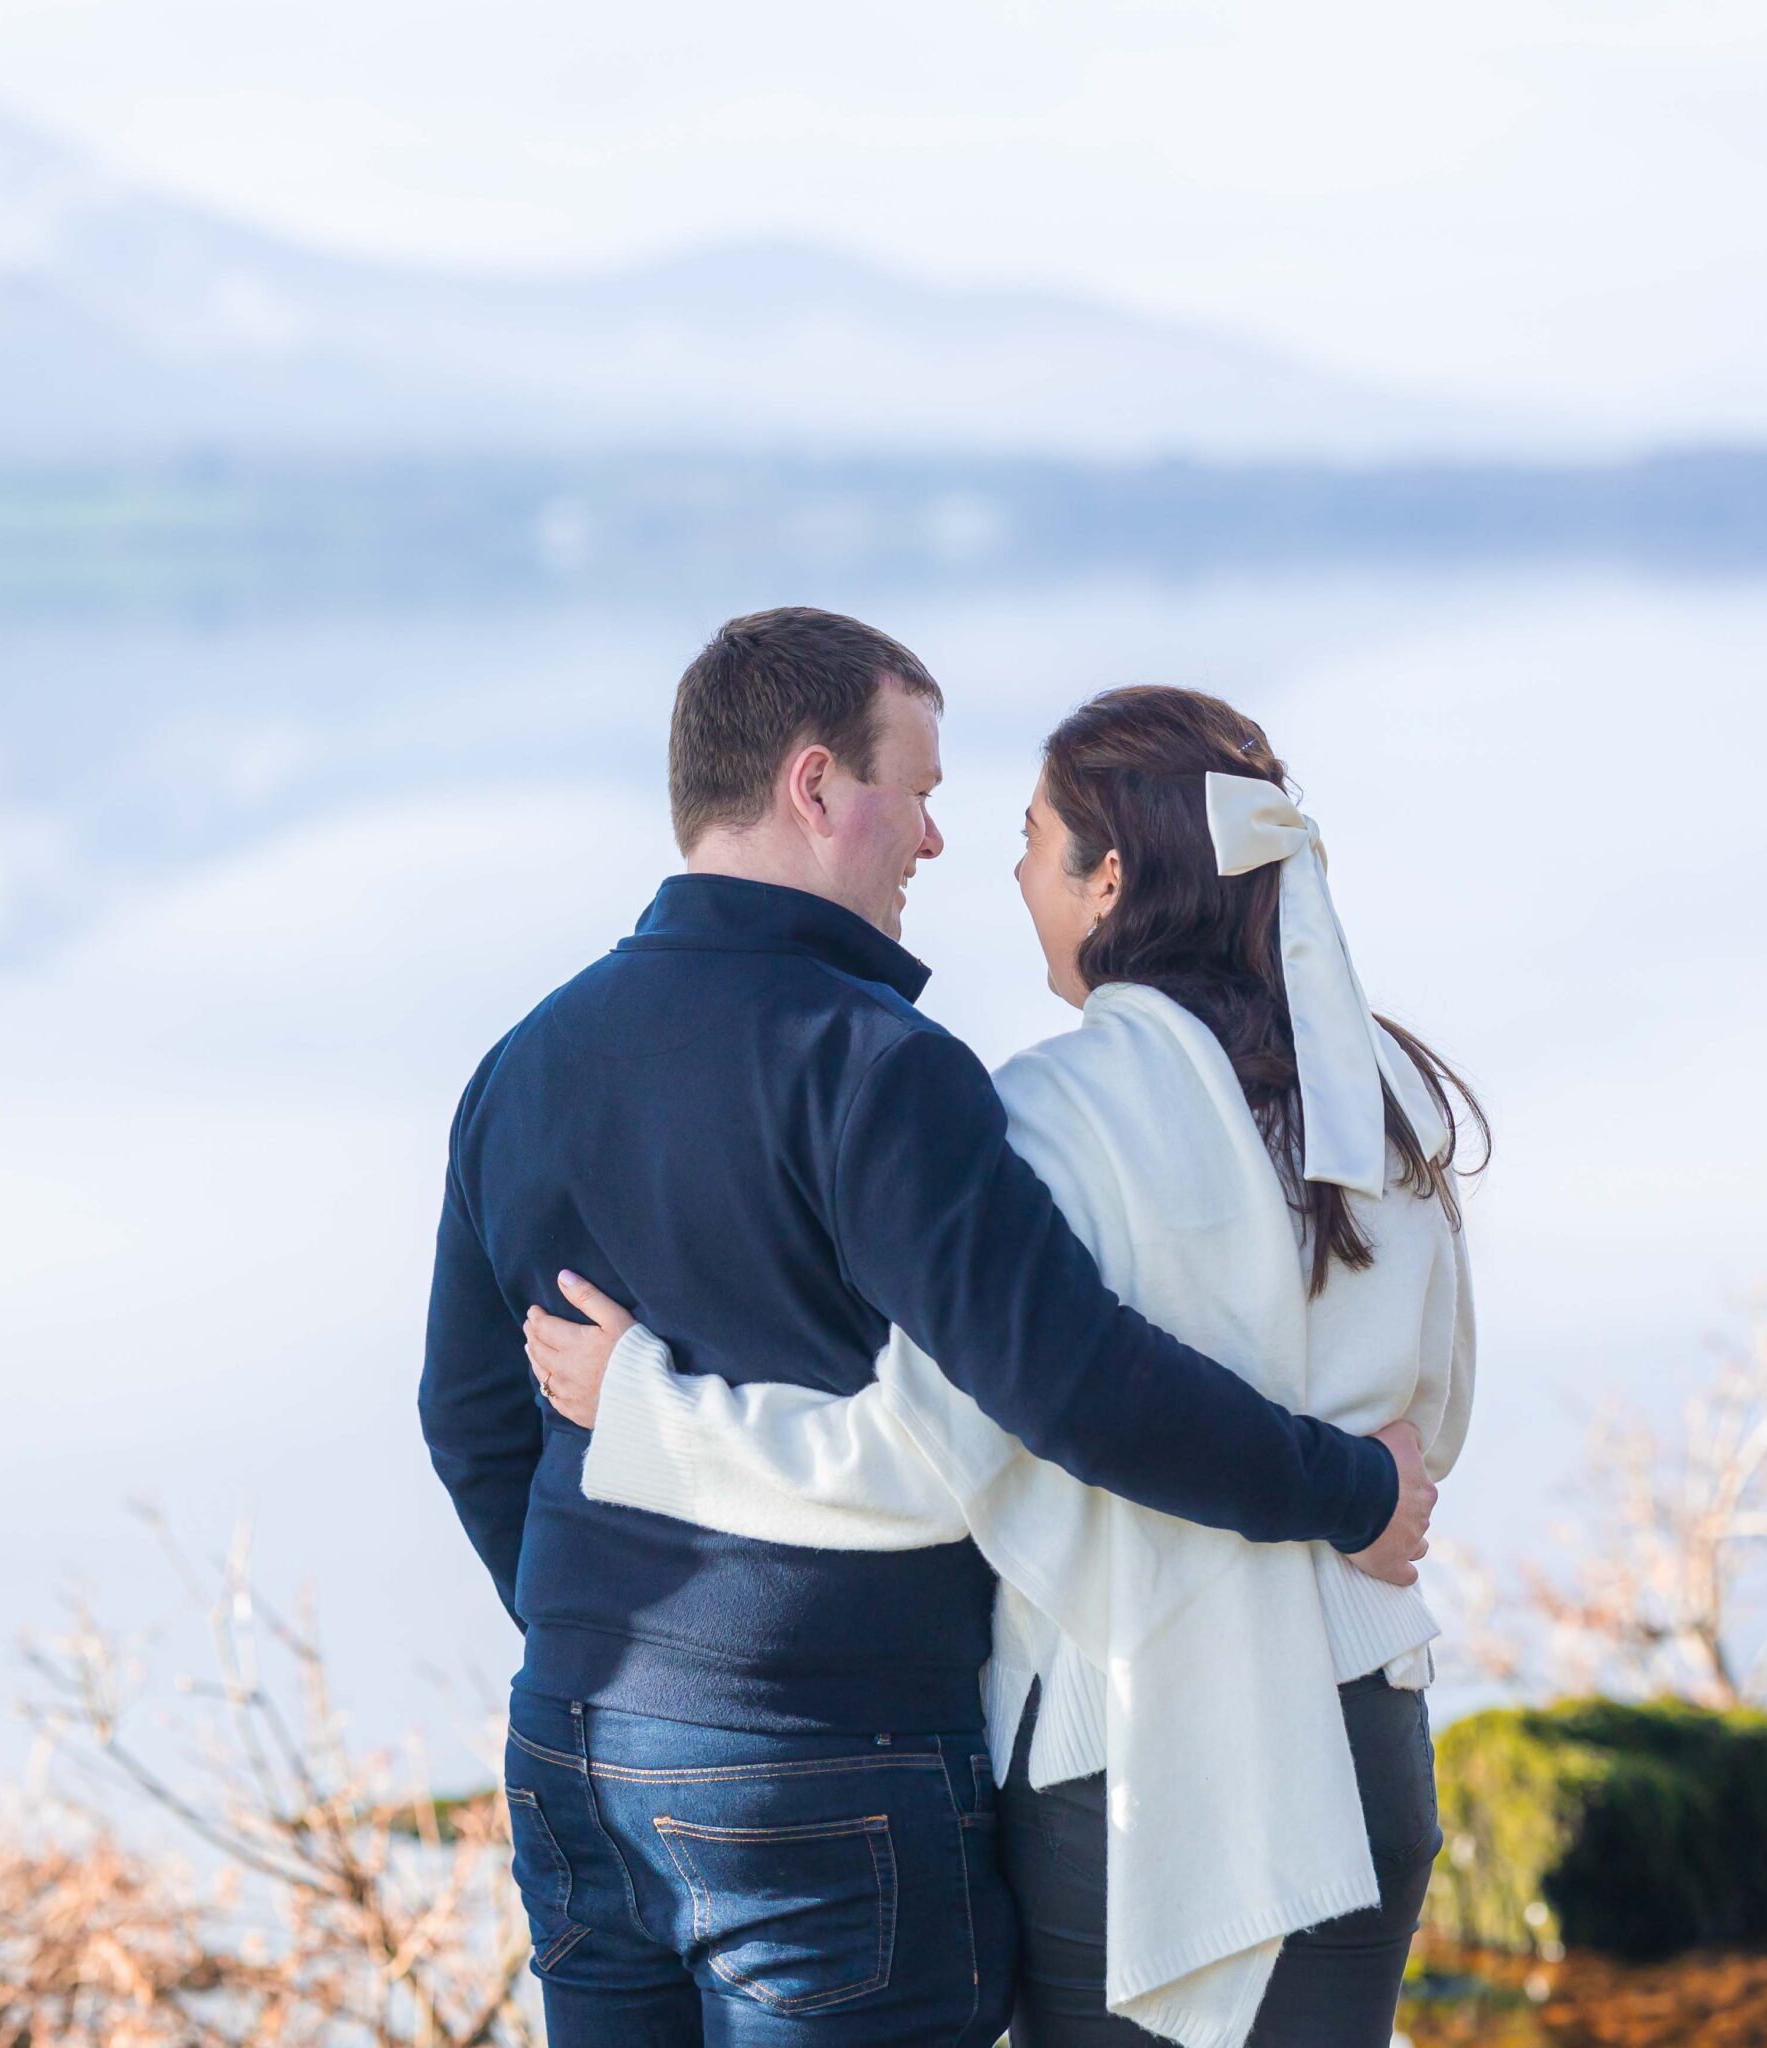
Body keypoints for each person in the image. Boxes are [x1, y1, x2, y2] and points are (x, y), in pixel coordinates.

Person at [419, 612, 1439, 2048]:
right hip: (829, 1761)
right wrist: (1351, 1491)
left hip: (575, 1745)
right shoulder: (882, 1069)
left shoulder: (519, 1065)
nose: (935, 840)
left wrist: (586, 1636)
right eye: (920, 791)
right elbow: (1063, 1385)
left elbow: (466, 1415)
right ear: (816, 786)